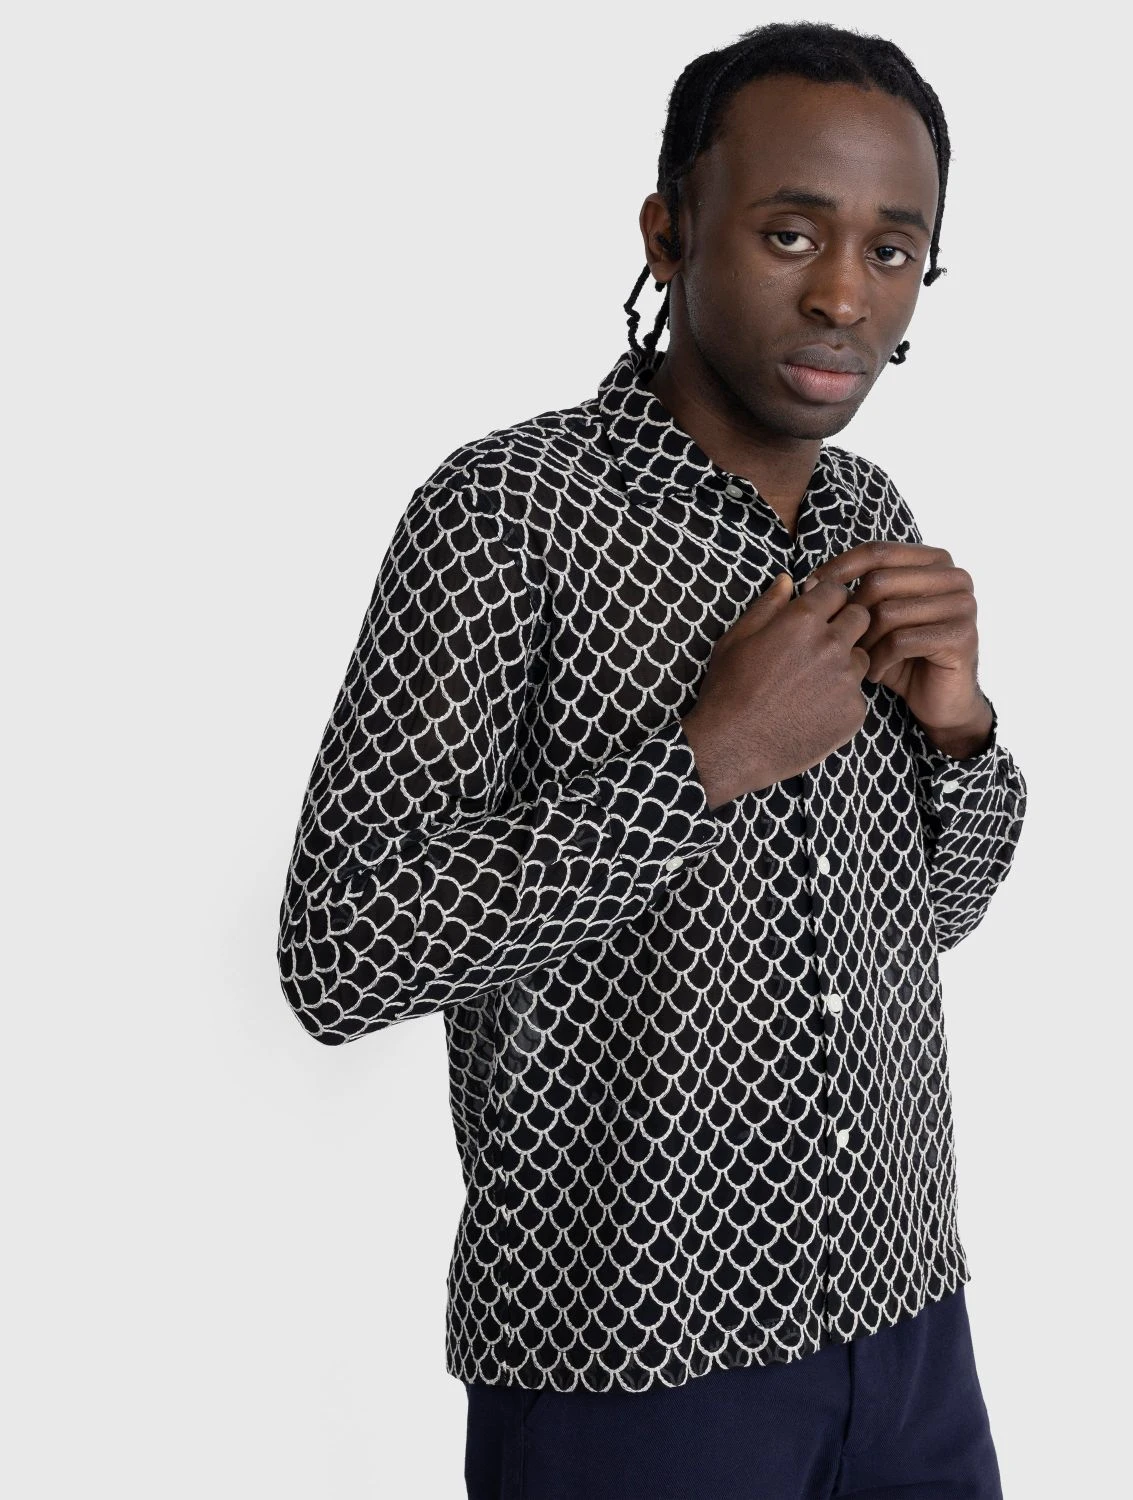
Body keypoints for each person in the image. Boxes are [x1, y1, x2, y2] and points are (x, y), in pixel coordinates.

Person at [276, 20, 1029, 1499]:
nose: (843, 295)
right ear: (669, 232)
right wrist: (705, 761)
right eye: (791, 232)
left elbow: (927, 916)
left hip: (907, 1326)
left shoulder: (870, 514)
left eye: (893, 251)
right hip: (633, 1362)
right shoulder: (509, 513)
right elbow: (341, 952)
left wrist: (961, 734)